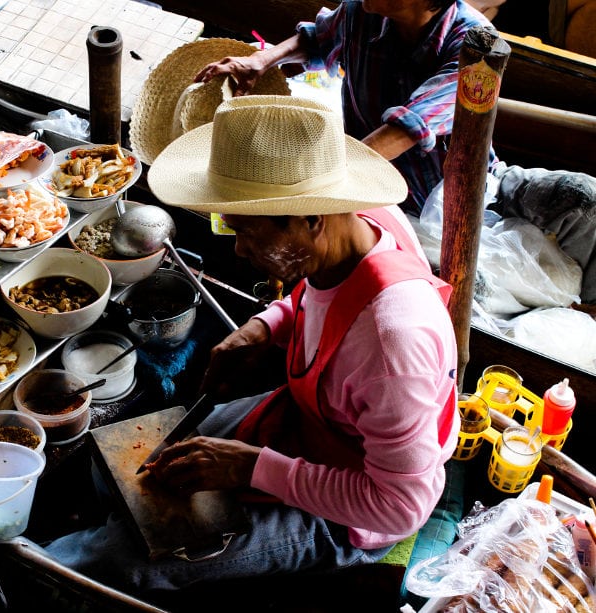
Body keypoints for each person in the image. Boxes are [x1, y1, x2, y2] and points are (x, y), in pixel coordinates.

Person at [40, 95, 459, 595]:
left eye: (247, 232)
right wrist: (266, 326)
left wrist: (247, 467)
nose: (238, 249)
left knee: (114, 561)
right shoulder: (359, 222)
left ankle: (20, 583)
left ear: (311, 219)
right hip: (310, 425)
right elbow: (320, 295)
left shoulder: (393, 345)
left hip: (353, 510)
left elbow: (399, 505)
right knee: (117, 467)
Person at [194, 0, 596, 308]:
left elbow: (409, 127)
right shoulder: (361, 12)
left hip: (472, 187)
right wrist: (262, 59)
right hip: (390, 202)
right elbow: (316, 38)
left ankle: (589, 306)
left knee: (584, 198)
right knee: (465, 298)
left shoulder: (474, 46)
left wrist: (322, 185)